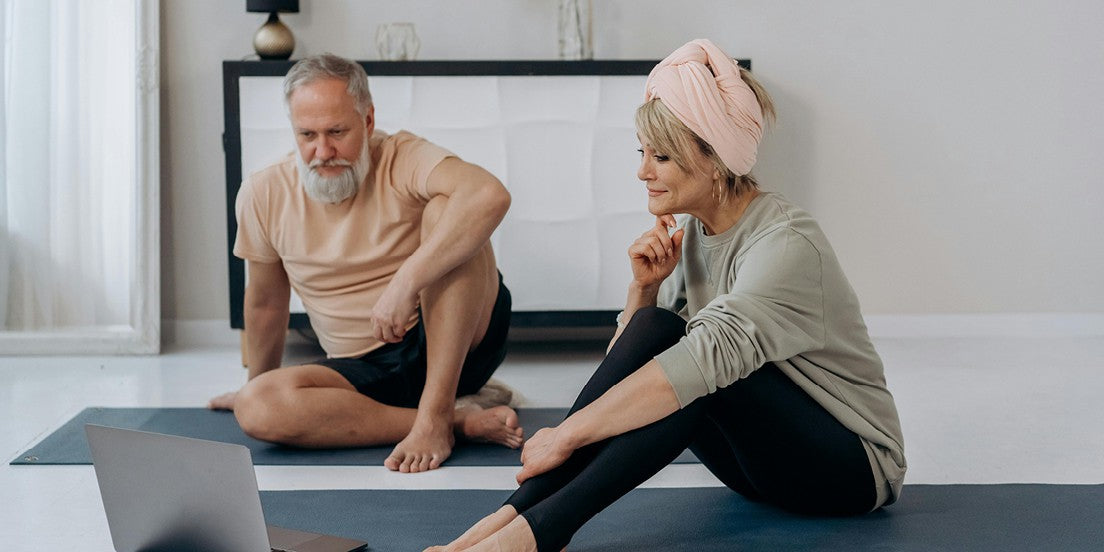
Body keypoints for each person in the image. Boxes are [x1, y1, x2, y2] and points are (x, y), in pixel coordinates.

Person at [427, 39, 907, 551]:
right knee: (661, 334)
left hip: (850, 470)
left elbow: (691, 368)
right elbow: (627, 373)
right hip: (760, 471)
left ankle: (531, 535)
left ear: (717, 161)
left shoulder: (786, 243)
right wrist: (644, 289)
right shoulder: (696, 232)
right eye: (643, 153)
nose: (642, 172)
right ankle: (509, 520)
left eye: (662, 157)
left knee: (695, 371)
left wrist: (566, 434)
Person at [208, 53, 523, 473]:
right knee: (257, 408)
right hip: (363, 372)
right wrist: (257, 385)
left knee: (449, 208)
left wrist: (406, 281)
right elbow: (266, 303)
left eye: (337, 131)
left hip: (455, 345)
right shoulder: (263, 192)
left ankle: (435, 414)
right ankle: (458, 419)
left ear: (368, 121)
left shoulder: (402, 155)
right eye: (307, 134)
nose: (322, 151)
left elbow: (489, 195)